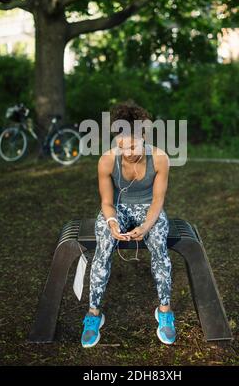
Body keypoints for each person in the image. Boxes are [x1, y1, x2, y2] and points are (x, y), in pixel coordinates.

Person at [81, 100, 175, 348]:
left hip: (149, 210)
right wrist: (112, 222)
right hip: (118, 210)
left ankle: (164, 311)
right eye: (122, 145)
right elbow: (107, 202)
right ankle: (93, 315)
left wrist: (145, 227)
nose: (128, 151)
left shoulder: (160, 158)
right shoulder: (107, 160)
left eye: (133, 145)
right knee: (103, 243)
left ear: (144, 136)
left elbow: (158, 201)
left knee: (158, 245)